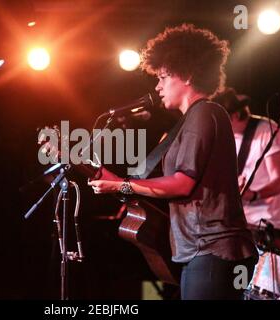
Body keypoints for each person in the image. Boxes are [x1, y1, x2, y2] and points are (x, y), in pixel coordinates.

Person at [87, 24, 258, 300]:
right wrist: (116, 181)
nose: (157, 85)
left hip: (214, 249)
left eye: (164, 77)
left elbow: (181, 183)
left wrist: (123, 185)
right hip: (203, 251)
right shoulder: (189, 122)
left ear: (188, 74)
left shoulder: (205, 113)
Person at [212, 88, 280, 232]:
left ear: (235, 115)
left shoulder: (267, 129)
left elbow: (279, 181)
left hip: (263, 222)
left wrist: (252, 195)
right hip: (234, 220)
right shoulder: (225, 138)